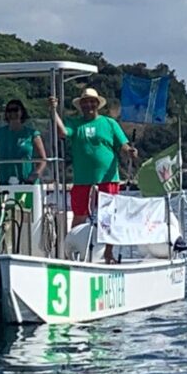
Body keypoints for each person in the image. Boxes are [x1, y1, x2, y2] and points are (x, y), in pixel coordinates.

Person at [49, 87, 138, 264]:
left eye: (92, 102)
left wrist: (130, 151)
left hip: (108, 179)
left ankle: (108, 254)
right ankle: (73, 253)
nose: (88, 105)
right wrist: (53, 111)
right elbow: (62, 132)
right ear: (80, 105)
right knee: (79, 216)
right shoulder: (75, 123)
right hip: (83, 180)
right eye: (85, 102)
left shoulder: (109, 123)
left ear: (97, 104)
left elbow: (123, 144)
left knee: (108, 218)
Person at [0, 99, 47, 185]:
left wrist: (33, 177)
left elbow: (43, 160)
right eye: (9, 110)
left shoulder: (32, 134)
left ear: (22, 112)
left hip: (27, 183)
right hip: (4, 182)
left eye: (15, 110)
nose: (12, 113)